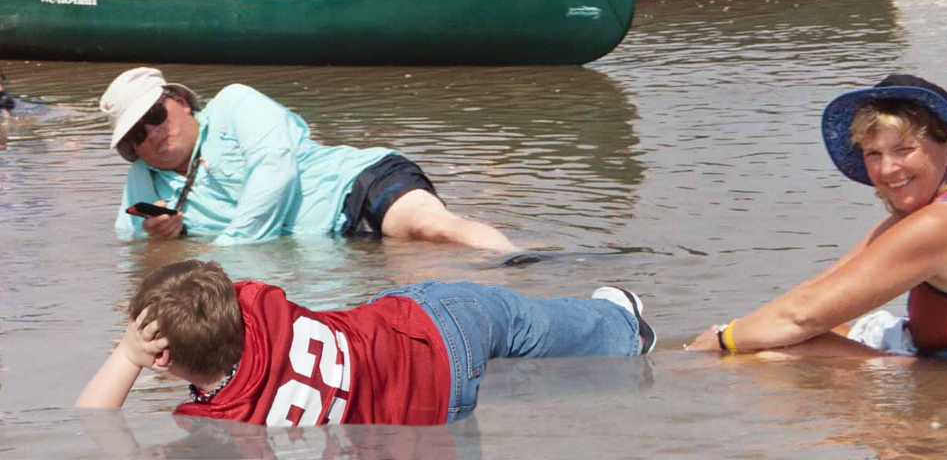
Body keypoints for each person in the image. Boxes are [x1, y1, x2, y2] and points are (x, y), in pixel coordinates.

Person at [688, 74, 947, 360]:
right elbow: (816, 292)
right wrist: (733, 333)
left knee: (770, 356)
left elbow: (800, 317)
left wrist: (719, 344)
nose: (888, 169)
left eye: (904, 149)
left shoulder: (942, 224)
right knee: (801, 334)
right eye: (873, 153)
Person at [76, 259, 656, 425]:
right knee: (525, 323)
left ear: (164, 360)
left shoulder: (227, 417)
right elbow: (209, 286)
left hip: (433, 412)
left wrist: (128, 357)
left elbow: (92, 427)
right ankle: (624, 326)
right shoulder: (257, 303)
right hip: (431, 326)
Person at [100, 67, 515, 251]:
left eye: (154, 116)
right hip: (343, 246)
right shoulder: (146, 180)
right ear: (132, 150)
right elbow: (128, 237)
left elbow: (275, 170)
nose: (152, 133)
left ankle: (519, 261)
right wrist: (162, 232)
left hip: (356, 184)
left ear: (180, 102)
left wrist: (224, 253)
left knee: (432, 229)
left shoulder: (234, 102)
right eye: (137, 134)